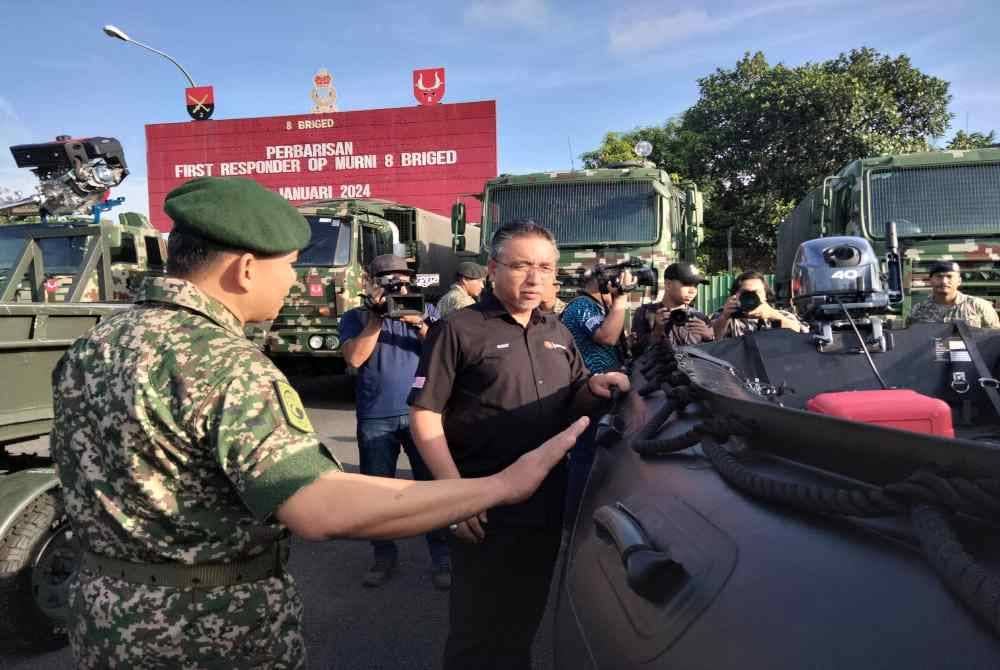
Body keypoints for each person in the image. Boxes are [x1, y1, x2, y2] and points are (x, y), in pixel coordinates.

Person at [49, 177, 588, 670]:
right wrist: (494, 488)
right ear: (245, 269)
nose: (292, 280)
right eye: (288, 265)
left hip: (106, 616)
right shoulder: (223, 363)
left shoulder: (93, 345)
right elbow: (320, 508)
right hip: (202, 632)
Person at [408, 219, 630, 670]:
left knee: (524, 619)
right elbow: (424, 413)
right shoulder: (458, 329)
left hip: (545, 504)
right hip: (482, 506)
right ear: (493, 268)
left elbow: (575, 394)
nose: (535, 278)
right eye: (521, 265)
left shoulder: (557, 330)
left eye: (546, 267)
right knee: (477, 629)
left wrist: (598, 386)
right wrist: (455, 496)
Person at [340, 254, 450, 589]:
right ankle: (383, 555)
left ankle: (442, 556)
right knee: (378, 492)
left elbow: (444, 353)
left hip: (421, 413)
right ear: (372, 282)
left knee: (431, 489)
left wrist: (418, 324)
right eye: (387, 279)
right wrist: (376, 319)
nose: (396, 285)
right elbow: (355, 358)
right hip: (376, 415)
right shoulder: (355, 317)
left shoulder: (426, 311)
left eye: (402, 279)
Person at [558, 268, 633, 521]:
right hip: (588, 395)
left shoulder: (598, 307)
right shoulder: (581, 306)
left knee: (594, 457)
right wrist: (621, 300)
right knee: (585, 458)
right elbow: (607, 337)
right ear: (605, 284)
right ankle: (575, 521)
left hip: (602, 392)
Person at [632, 261, 715, 353]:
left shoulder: (699, 317)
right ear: (668, 284)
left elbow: (711, 356)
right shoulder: (645, 313)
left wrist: (709, 338)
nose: (692, 291)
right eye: (686, 284)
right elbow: (638, 353)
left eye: (695, 285)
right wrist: (657, 330)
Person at [712, 270, 808, 338]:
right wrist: (724, 318)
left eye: (756, 293)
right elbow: (712, 340)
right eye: (746, 293)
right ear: (735, 295)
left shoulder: (780, 315)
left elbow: (803, 334)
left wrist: (773, 315)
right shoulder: (725, 315)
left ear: (765, 295)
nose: (751, 297)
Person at [910, 261, 1000, 328]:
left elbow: (994, 340)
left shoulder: (978, 306)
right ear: (930, 281)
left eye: (949, 276)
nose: (944, 281)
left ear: (959, 281)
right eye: (939, 276)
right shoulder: (918, 310)